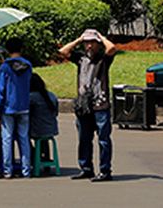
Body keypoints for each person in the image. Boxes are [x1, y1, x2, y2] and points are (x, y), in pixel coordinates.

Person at [59, 29, 117, 182]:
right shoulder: (80, 58)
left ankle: (105, 170)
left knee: (103, 139)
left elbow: (112, 48)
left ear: (98, 44)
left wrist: (102, 37)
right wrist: (79, 39)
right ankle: (86, 168)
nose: (89, 46)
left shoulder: (103, 59)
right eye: (87, 43)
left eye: (92, 42)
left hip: (100, 104)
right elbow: (63, 52)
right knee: (84, 138)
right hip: (83, 105)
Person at [0, 38, 32, 179]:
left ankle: (7, 170)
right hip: (24, 105)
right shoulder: (28, 65)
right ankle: (26, 169)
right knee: (23, 138)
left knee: (7, 138)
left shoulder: (4, 67)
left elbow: (1, 89)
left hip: (8, 107)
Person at [29, 74, 59, 174]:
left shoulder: (31, 98)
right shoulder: (51, 95)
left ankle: (33, 158)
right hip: (51, 128)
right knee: (43, 140)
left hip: (37, 129)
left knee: (22, 137)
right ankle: (45, 157)